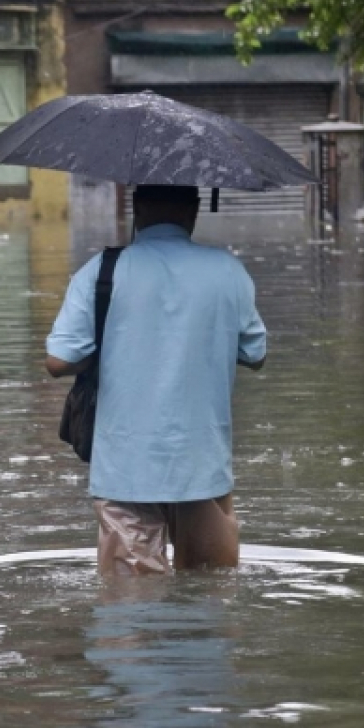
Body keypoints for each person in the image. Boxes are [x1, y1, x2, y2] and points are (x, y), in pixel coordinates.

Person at [45, 184, 267, 575]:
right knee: (207, 600)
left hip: (126, 468)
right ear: (194, 211)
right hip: (202, 464)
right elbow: (255, 354)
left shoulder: (102, 272)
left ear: (138, 208)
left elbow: (59, 361)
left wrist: (111, 339)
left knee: (129, 609)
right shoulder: (228, 270)